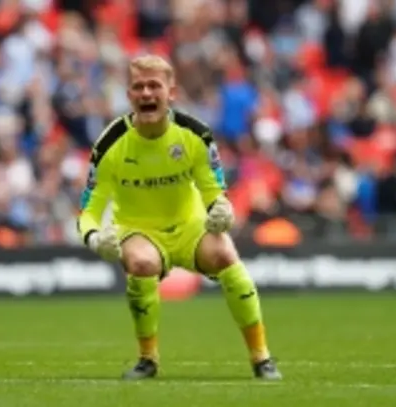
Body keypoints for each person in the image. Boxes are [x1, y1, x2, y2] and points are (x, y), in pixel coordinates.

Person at [77, 55, 282, 381]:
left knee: (225, 253)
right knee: (141, 263)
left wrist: (221, 209)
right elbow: (88, 211)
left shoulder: (195, 135)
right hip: (138, 230)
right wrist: (94, 238)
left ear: (170, 92)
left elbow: (214, 191)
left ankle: (262, 357)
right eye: (138, 87)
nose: (146, 93)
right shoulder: (110, 144)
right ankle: (148, 359)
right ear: (129, 95)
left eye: (154, 85)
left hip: (189, 227)